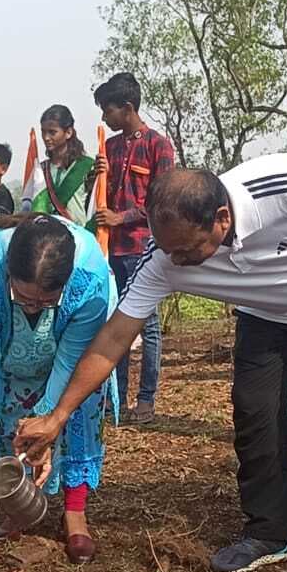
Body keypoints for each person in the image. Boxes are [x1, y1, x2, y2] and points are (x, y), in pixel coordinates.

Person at [15, 154, 287, 572]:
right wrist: (58, 416)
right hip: (263, 315)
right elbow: (113, 339)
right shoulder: (164, 258)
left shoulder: (284, 186)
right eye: (170, 250)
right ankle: (269, 532)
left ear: (222, 218)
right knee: (255, 413)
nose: (180, 261)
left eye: (189, 250)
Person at [0, 216, 118, 564]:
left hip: (71, 355)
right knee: (10, 417)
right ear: (8, 275)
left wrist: (48, 421)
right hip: (10, 353)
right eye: (24, 297)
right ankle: (18, 508)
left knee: (79, 408)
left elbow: (71, 362)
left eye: (45, 301)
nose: (32, 307)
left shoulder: (88, 276)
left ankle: (75, 511)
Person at [93, 72, 175, 423]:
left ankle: (146, 400)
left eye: (107, 111)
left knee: (149, 325)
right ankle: (117, 398)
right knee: (118, 323)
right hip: (112, 250)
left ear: (127, 108)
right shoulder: (109, 148)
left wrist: (120, 217)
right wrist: (93, 176)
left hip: (143, 247)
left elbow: (164, 202)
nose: (104, 119)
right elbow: (96, 197)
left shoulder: (158, 145)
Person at [21, 106, 94, 225]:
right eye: (43, 132)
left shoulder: (87, 166)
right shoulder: (40, 170)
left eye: (52, 132)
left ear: (68, 132)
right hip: (47, 236)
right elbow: (28, 206)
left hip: (79, 235)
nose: (46, 138)